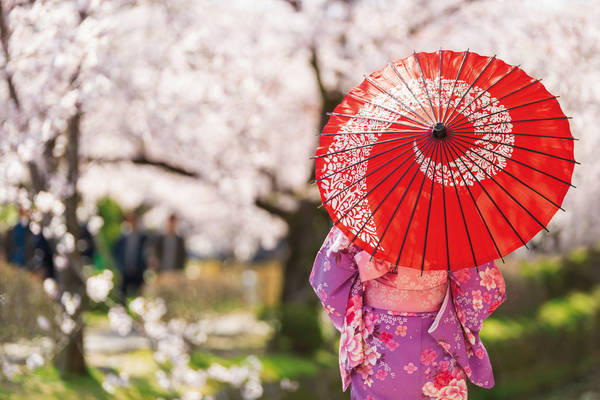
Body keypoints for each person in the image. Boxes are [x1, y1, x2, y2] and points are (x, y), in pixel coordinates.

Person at [309, 225, 507, 400]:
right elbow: (482, 289)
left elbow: (327, 280)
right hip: (439, 335)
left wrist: (352, 313)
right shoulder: (451, 217)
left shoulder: (366, 212)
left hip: (378, 339)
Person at [3, 207, 55, 279]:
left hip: (28, 266)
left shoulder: (34, 230)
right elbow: (7, 247)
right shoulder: (12, 230)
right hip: (14, 263)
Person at [112, 212, 149, 301]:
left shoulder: (143, 238)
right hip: (125, 271)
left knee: (139, 297)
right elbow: (115, 252)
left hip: (138, 271)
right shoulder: (122, 238)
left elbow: (147, 253)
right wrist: (120, 266)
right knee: (122, 296)